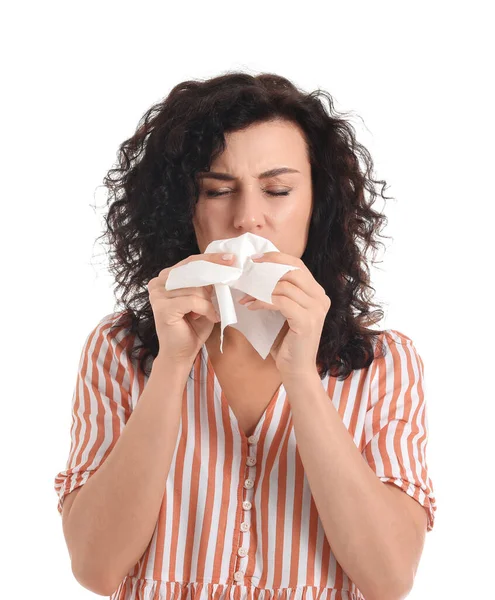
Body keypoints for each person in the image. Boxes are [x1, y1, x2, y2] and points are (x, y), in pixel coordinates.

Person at [54, 72, 437, 600]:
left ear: (317, 203)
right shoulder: (121, 350)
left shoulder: (384, 362)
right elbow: (96, 567)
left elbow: (389, 578)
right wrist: (171, 366)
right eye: (217, 190)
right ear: (183, 207)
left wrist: (301, 375)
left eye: (277, 190)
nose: (246, 219)